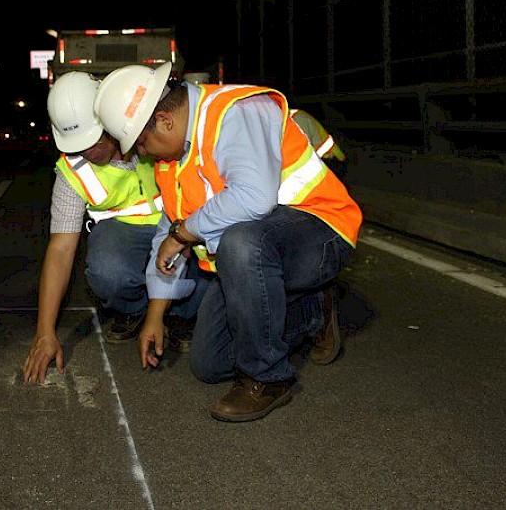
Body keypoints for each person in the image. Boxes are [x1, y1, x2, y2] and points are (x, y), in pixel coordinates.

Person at [93, 63, 363, 422]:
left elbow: (253, 198)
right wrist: (155, 314)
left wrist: (183, 233)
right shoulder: (171, 161)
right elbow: (168, 236)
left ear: (164, 120)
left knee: (240, 242)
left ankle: (266, 379)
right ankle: (313, 308)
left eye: (141, 143)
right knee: (210, 363)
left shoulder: (238, 111)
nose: (143, 154)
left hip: (320, 232)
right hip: (254, 261)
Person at [22, 71, 206, 385]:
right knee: (107, 270)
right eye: (76, 146)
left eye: (91, 143)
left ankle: (179, 314)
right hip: (125, 236)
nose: (86, 154)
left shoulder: (152, 131)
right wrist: (45, 332)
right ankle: (135, 308)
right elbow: (61, 249)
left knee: (211, 265)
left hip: (181, 224)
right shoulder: (72, 172)